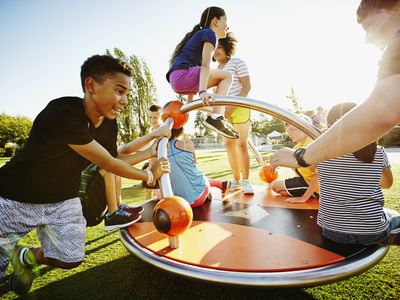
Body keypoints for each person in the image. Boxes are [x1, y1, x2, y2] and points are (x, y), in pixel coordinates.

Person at [0, 55, 170, 295]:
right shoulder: (62, 113)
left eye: (127, 94)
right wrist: (149, 177)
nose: (124, 101)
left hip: (62, 200)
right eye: (119, 91)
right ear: (91, 86)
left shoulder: (110, 124)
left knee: (70, 258)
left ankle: (26, 256)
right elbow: (109, 163)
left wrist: (149, 152)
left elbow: (115, 159)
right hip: (14, 197)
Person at [269, 0, 400, 244]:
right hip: (370, 227)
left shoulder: (325, 154)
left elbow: (381, 110)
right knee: (391, 217)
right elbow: (387, 183)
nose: (368, 39)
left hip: (330, 228)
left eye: (370, 25)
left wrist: (301, 157)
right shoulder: (378, 153)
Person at [316, 102, 399, 245]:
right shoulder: (378, 152)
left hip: (330, 231)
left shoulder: (320, 153)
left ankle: (381, 235)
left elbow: (312, 170)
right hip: (371, 232)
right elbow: (387, 184)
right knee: (396, 216)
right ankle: (384, 236)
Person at [166, 6, 238, 139]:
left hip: (177, 80)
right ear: (215, 21)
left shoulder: (200, 37)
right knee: (227, 76)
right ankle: (216, 117)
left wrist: (190, 102)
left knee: (217, 81)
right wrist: (203, 92)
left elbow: (197, 67)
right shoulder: (210, 34)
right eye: (225, 20)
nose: (228, 25)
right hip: (182, 74)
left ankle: (217, 116)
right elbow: (205, 65)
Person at [213, 32, 254, 194]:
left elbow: (246, 86)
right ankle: (236, 180)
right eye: (214, 48)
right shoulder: (216, 70)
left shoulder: (237, 62)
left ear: (227, 48)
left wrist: (232, 108)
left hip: (240, 108)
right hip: (224, 111)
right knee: (228, 145)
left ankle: (246, 181)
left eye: (220, 47)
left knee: (242, 145)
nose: (216, 51)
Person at [167, 127, 228, 207]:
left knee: (160, 192)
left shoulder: (160, 150)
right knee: (197, 175)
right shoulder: (187, 143)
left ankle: (219, 184)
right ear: (181, 130)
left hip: (178, 202)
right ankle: (218, 184)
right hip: (198, 199)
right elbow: (194, 163)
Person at [270, 117, 319, 203]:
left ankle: (313, 193)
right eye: (288, 131)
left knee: (275, 186)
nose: (289, 134)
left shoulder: (312, 144)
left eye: (292, 130)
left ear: (305, 128)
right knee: (279, 190)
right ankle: (311, 193)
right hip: (306, 180)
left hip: (315, 186)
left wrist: (303, 198)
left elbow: (319, 175)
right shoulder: (298, 147)